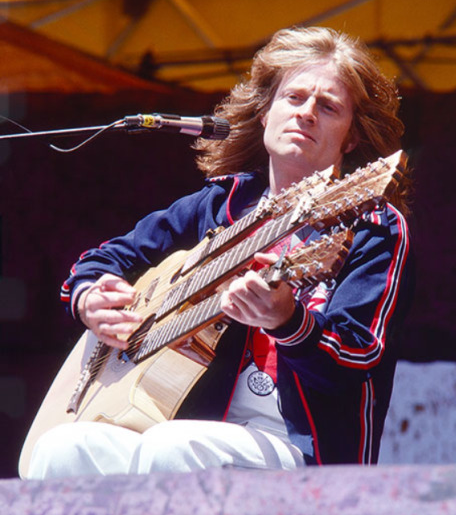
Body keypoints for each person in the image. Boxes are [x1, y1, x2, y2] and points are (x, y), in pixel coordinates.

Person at [25, 25, 414, 478]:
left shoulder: (372, 225)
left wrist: (289, 320)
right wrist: (90, 296)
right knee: (61, 450)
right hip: (184, 419)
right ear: (265, 113)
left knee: (174, 448)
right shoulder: (220, 204)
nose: (306, 113)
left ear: (350, 138)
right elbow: (105, 259)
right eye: (294, 98)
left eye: (328, 107)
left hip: (301, 447)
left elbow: (358, 357)